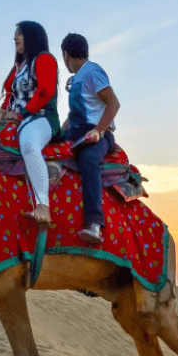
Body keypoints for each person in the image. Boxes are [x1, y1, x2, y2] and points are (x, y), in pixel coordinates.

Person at [0, 21, 61, 228]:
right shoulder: (18, 68)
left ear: (31, 36)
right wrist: (1, 113)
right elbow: (9, 96)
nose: (15, 38)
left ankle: (43, 205)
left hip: (40, 118)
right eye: (15, 34)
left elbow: (45, 91)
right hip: (19, 120)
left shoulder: (44, 59)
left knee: (29, 145)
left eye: (19, 34)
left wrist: (20, 115)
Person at [60, 33, 121, 244]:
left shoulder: (92, 72)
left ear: (66, 55)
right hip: (77, 135)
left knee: (88, 160)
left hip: (99, 136)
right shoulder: (77, 80)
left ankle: (94, 223)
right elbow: (74, 116)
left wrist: (99, 130)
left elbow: (113, 103)